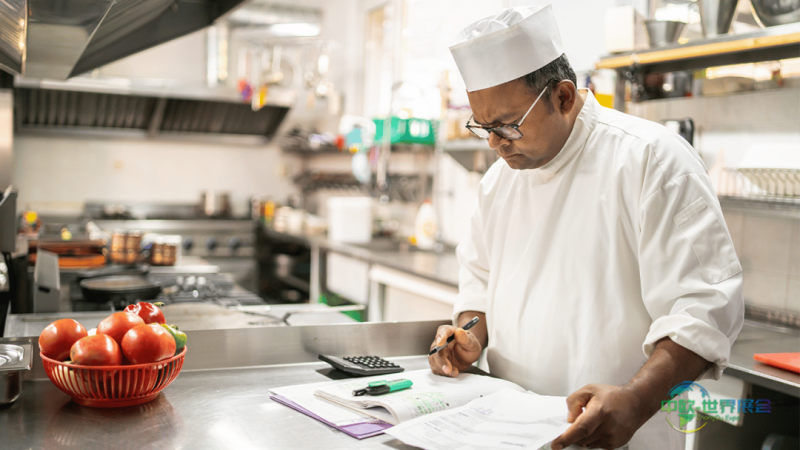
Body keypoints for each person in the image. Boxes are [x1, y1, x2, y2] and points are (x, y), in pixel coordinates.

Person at [428, 5, 744, 450]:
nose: (496, 143)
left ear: (562, 97)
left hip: (620, 437)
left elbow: (704, 310)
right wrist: (469, 334)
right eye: (484, 127)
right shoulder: (498, 182)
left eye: (509, 126)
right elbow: (479, 287)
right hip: (507, 432)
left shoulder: (651, 160)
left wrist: (636, 400)